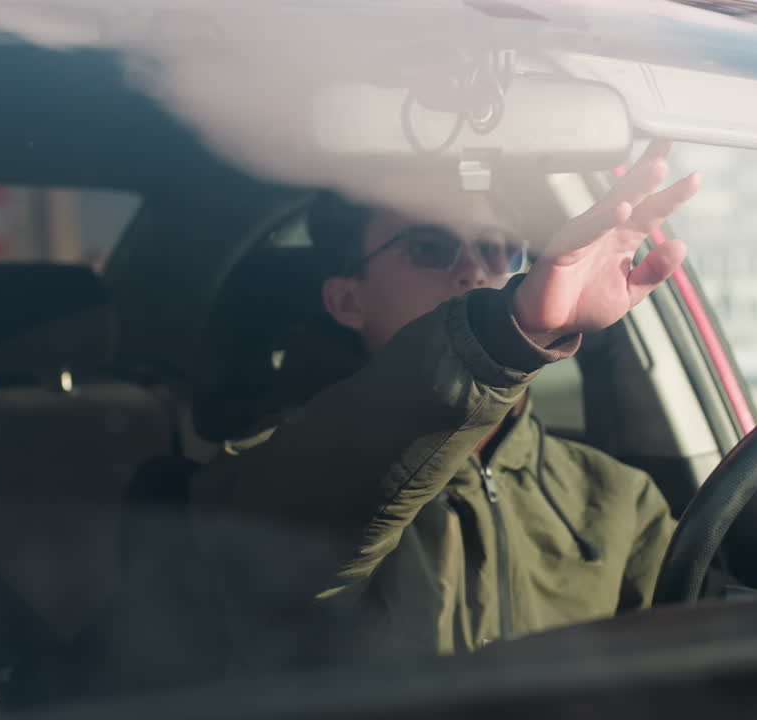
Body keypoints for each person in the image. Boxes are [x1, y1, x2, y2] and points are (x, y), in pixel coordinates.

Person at [187, 141, 702, 671]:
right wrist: (504, 334)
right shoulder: (268, 468)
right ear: (347, 300)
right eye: (429, 248)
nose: (475, 271)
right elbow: (303, 525)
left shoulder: (620, 497)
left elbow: (692, 674)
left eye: (499, 248)